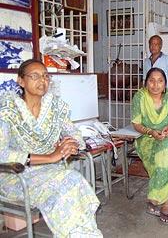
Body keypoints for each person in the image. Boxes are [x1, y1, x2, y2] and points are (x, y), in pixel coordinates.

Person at [0, 59, 102, 237]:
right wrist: (50, 157)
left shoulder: (54, 108)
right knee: (68, 185)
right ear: (21, 81)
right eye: (35, 76)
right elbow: (2, 153)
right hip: (17, 176)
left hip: (52, 172)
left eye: (46, 76)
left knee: (73, 182)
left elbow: (74, 133)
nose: (43, 80)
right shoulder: (7, 110)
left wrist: (70, 145)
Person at [131, 67, 168, 224]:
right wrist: (150, 131)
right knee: (157, 162)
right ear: (146, 83)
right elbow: (136, 123)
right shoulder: (140, 97)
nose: (155, 85)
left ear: (165, 84)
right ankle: (164, 203)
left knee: (165, 159)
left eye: (160, 81)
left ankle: (160, 200)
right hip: (147, 138)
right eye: (151, 80)